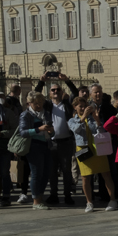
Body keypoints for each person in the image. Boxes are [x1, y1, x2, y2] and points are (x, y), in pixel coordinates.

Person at [69, 97, 118, 213]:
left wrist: (97, 121)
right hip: (83, 150)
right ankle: (89, 202)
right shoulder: (72, 120)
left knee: (106, 174)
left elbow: (102, 132)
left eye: (84, 106)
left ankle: (113, 200)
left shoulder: (92, 118)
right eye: (80, 106)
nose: (83, 108)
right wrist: (83, 117)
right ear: (75, 107)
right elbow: (75, 129)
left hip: (98, 149)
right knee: (85, 177)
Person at [43, 74, 80, 207]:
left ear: (61, 91)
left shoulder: (67, 105)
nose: (55, 92)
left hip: (66, 142)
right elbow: (34, 95)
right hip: (52, 143)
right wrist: (42, 82)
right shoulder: (47, 105)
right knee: (52, 171)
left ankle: (67, 195)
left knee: (66, 170)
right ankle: (54, 195)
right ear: (49, 93)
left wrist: (67, 81)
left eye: (58, 89)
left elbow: (76, 94)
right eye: (53, 90)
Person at [17, 90, 56, 210]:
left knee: (45, 173)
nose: (38, 105)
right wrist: (38, 129)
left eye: (40, 102)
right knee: (36, 174)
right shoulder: (26, 115)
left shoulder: (46, 113)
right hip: (33, 146)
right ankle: (35, 201)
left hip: (46, 145)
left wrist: (51, 131)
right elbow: (22, 132)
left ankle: (40, 197)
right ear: (29, 103)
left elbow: (51, 130)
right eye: (35, 103)